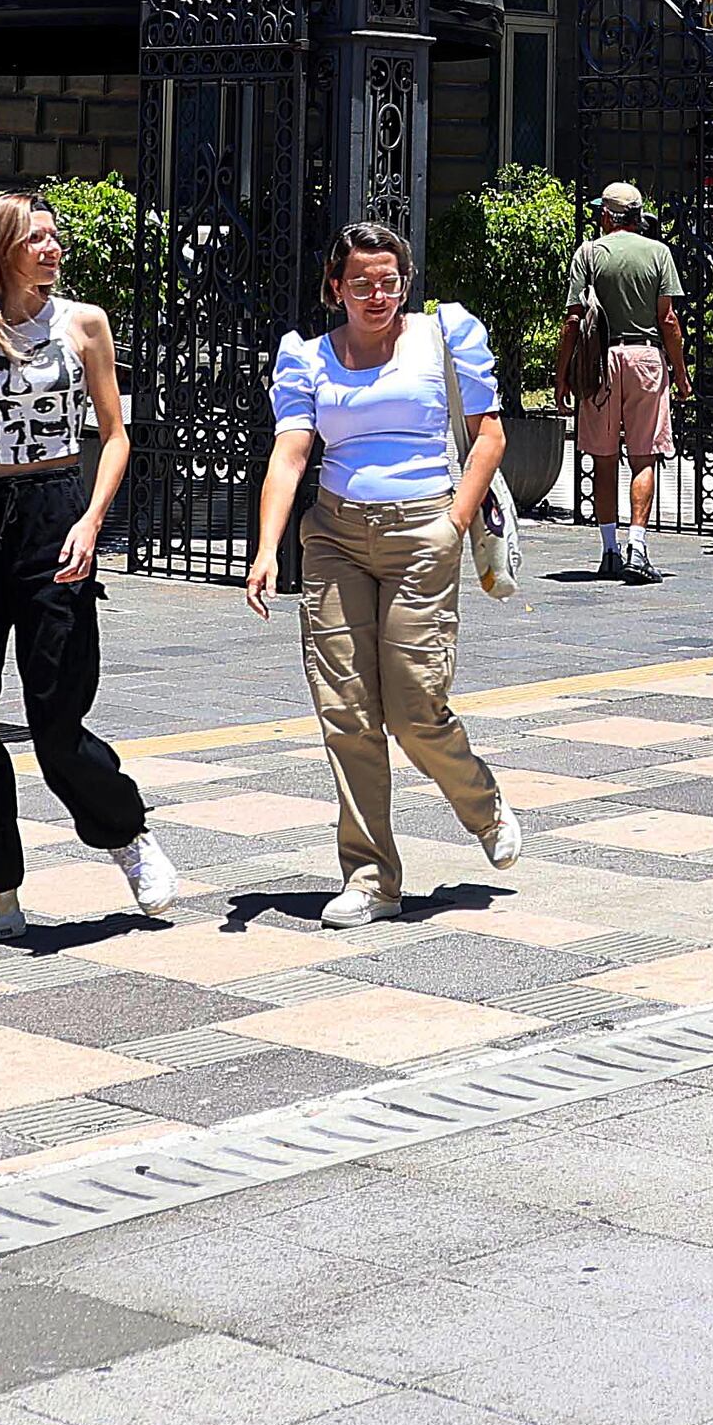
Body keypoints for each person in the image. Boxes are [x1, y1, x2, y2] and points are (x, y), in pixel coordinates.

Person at [0, 190, 171, 949]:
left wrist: (89, 519)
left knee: (55, 718)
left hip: (56, 512)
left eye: (55, 238)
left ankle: (125, 830)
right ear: (1, 247)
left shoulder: (83, 325)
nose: (52, 249)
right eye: (37, 238)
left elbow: (114, 436)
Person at [248, 219, 523, 925]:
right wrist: (266, 546)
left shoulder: (442, 337)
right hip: (336, 535)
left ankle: (481, 804)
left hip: (422, 528)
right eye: (361, 282)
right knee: (346, 711)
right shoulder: (308, 358)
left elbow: (490, 434)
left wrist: (453, 523)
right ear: (335, 287)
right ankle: (371, 875)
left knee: (413, 706)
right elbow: (290, 453)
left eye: (390, 281)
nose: (377, 294)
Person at [558, 184, 688, 581]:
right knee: (644, 455)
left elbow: (573, 320)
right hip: (647, 358)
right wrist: (681, 375)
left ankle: (610, 549)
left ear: (607, 216)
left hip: (601, 362)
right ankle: (638, 546)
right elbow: (668, 321)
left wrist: (562, 377)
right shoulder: (658, 253)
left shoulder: (589, 253)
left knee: (603, 456)